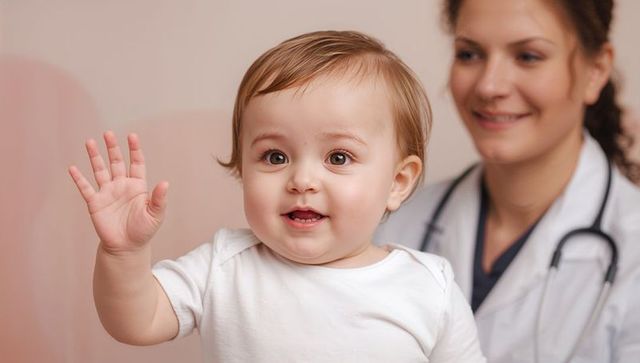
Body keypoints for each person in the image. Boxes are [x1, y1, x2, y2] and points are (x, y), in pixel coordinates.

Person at [68, 30, 486, 362]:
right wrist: (123, 253)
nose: (302, 179)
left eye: (338, 157)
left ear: (397, 182)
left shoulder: (427, 288)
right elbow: (136, 323)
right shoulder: (224, 267)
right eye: (275, 155)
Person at [376, 0, 640, 362]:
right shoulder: (391, 223)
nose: (489, 86)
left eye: (528, 56)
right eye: (469, 54)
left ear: (595, 71)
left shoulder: (632, 246)